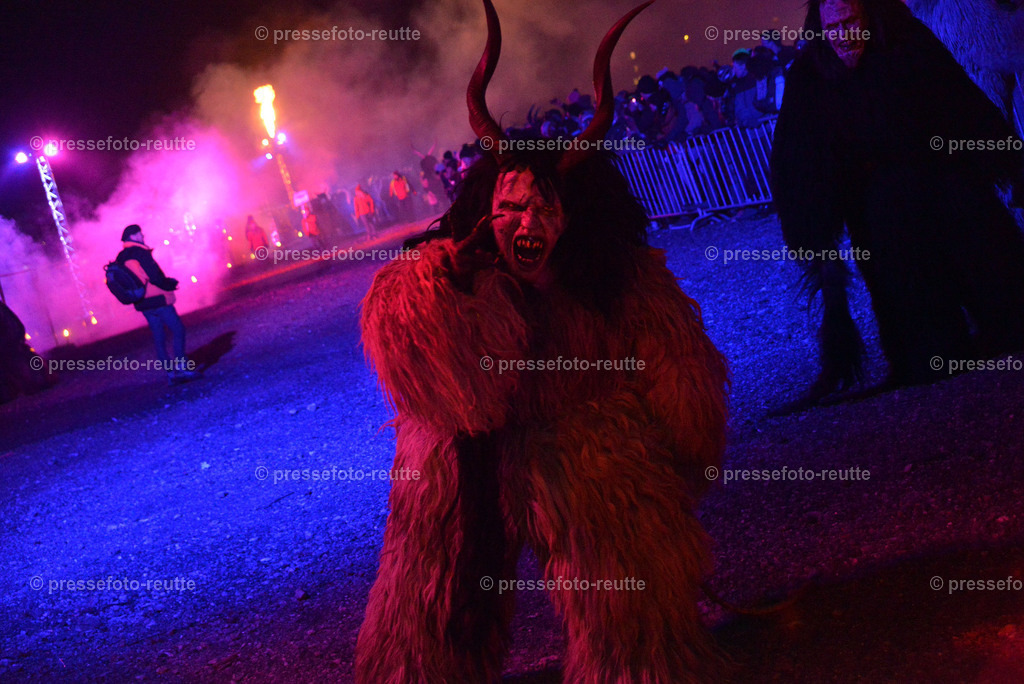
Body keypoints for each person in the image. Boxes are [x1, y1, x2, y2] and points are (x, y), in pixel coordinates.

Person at [355, 2, 728, 681]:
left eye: (542, 210)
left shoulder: (616, 282)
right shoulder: (440, 270)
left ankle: (635, 665)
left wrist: (683, 454)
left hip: (583, 445)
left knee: (623, 569)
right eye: (509, 209)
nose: (524, 227)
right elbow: (407, 354)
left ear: (574, 216)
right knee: (428, 591)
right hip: (456, 457)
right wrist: (451, 283)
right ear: (483, 209)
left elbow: (679, 365)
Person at [771, 0, 1024, 407]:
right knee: (927, 348)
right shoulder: (811, 78)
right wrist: (815, 237)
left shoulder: (908, 46)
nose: (843, 37)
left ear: (867, 16)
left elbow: (965, 105)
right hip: (881, 212)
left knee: (998, 280)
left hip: (947, 186)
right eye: (833, 27)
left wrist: (1008, 163)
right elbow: (798, 165)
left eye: (851, 22)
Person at [116, 225, 199, 384]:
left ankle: (170, 374)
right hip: (158, 298)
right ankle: (183, 367)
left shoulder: (121, 257)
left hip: (142, 302)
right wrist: (170, 284)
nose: (143, 235)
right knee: (178, 329)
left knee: (159, 337)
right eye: (140, 233)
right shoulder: (140, 253)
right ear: (133, 236)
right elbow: (155, 277)